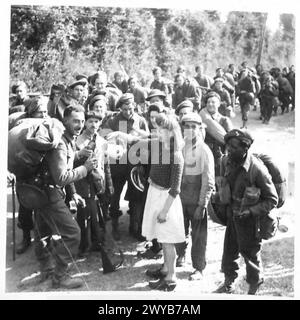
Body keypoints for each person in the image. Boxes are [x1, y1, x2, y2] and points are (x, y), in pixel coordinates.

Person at [34, 104, 98, 289]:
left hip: (40, 191)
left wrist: (73, 192)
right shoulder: (61, 144)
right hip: (49, 193)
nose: (80, 124)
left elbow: (64, 164)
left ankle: (46, 268)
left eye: (82, 121)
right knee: (72, 233)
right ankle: (59, 276)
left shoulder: (66, 139)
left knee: (43, 232)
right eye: (75, 121)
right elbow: (62, 177)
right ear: (65, 121)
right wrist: (85, 169)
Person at [213, 129, 278, 295]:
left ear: (245, 149)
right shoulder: (225, 161)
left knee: (250, 256)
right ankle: (228, 283)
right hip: (232, 216)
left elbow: (272, 200)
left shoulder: (257, 169)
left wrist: (250, 212)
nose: (229, 150)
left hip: (250, 220)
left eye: (234, 148)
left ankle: (254, 286)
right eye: (228, 147)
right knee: (229, 250)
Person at [175, 113, 215, 279]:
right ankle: (180, 254)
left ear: (199, 129)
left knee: (198, 236)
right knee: (178, 230)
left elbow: (208, 181)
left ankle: (199, 267)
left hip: (196, 200)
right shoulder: (180, 147)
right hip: (179, 199)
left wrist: (202, 205)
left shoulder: (204, 150)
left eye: (194, 127)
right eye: (187, 126)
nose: (190, 130)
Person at [106, 93, 149, 240]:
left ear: (134, 106)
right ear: (120, 108)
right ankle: (114, 226)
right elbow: (105, 138)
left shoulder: (140, 120)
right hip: (117, 165)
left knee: (136, 195)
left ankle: (134, 226)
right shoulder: (113, 121)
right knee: (114, 196)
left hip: (135, 165)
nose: (127, 112)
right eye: (124, 109)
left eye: (130, 108)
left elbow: (148, 138)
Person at [74, 111, 114, 256]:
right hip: (83, 183)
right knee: (84, 215)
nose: (93, 124)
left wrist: (109, 185)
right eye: (90, 121)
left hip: (99, 182)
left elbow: (106, 165)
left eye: (96, 122)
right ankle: (83, 244)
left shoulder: (102, 142)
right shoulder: (77, 141)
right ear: (85, 123)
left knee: (100, 214)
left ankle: (99, 242)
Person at [199, 92, 233, 176]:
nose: (210, 104)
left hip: (219, 155)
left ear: (218, 104)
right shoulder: (200, 118)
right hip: (204, 154)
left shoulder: (224, 120)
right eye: (208, 102)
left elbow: (231, 140)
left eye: (213, 102)